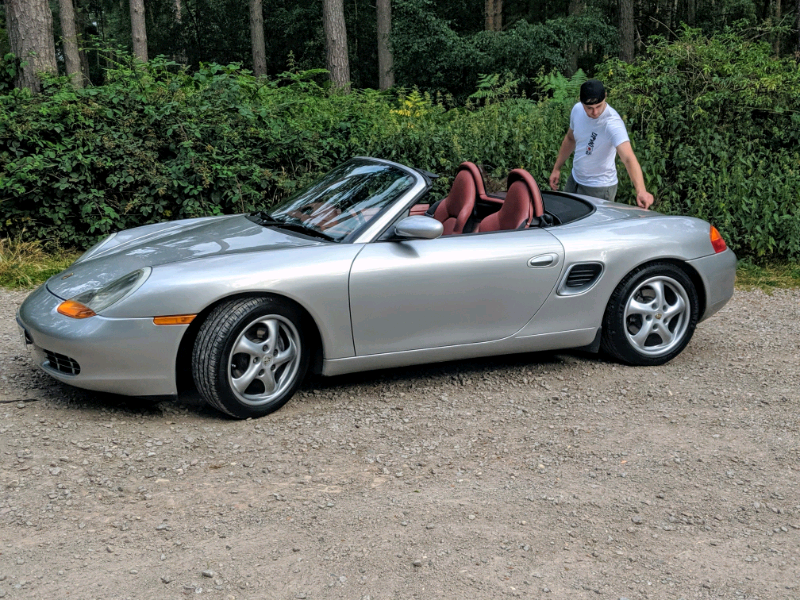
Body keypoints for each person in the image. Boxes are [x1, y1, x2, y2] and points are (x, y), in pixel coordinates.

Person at [548, 79, 654, 209]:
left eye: (599, 106)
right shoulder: (577, 110)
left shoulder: (612, 123)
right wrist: (557, 168)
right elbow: (570, 139)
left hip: (599, 188)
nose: (595, 112)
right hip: (575, 179)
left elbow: (628, 158)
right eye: (589, 108)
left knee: (588, 228)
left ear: (605, 97)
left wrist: (641, 190)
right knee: (565, 218)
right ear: (581, 103)